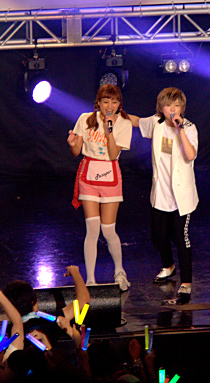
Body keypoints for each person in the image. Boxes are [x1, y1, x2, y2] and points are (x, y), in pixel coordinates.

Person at [128, 87, 198, 305]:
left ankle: (186, 283)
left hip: (181, 195)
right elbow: (137, 121)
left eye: (176, 105)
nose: (172, 109)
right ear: (161, 108)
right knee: (158, 236)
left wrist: (180, 130)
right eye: (168, 106)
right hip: (160, 193)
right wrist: (117, 113)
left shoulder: (189, 127)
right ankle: (169, 266)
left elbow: (190, 155)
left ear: (182, 108)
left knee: (181, 238)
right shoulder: (156, 122)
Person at [68, 84, 133, 291]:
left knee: (108, 230)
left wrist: (109, 130)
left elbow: (113, 155)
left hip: (110, 175)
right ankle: (90, 279)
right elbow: (77, 151)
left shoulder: (123, 123)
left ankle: (119, 272)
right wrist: (73, 145)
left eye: (114, 102)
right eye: (106, 102)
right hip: (88, 177)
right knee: (92, 230)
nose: (109, 106)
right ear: (98, 103)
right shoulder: (85, 119)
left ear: (119, 104)